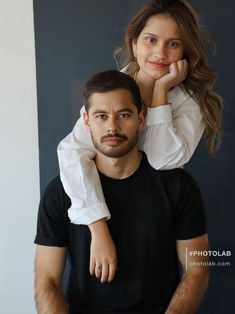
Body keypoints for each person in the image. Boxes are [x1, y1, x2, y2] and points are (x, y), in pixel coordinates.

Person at [57, 0, 222, 283]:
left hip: (155, 219)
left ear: (185, 50)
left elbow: (161, 161)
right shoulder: (108, 90)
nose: (160, 53)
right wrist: (98, 229)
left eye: (173, 44)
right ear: (134, 44)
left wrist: (160, 92)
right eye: (151, 40)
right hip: (102, 213)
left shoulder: (190, 104)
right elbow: (72, 152)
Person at [35, 70, 209, 314]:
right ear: (87, 122)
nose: (112, 127)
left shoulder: (179, 186)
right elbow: (46, 280)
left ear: (141, 118)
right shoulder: (59, 191)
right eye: (101, 116)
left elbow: (198, 267)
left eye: (123, 115)